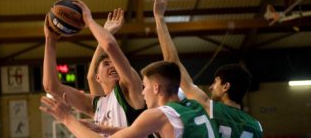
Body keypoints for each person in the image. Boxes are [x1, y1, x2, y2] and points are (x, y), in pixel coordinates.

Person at [153, 0, 263, 138]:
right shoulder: (257, 126)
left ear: (226, 86)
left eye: (216, 82)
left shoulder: (210, 108)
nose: (211, 87)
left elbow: (172, 63)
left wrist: (159, 17)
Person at [40, 61, 218, 138]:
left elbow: (110, 47)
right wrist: (104, 128)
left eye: (145, 86)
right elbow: (140, 132)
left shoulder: (157, 115)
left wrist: (66, 118)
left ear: (156, 88)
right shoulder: (193, 106)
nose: (143, 92)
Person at [42, 6, 145, 137]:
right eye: (106, 64)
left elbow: (109, 45)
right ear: (98, 78)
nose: (113, 66)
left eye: (114, 63)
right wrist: (50, 41)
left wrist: (102, 30)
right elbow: (51, 87)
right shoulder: (96, 105)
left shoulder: (129, 89)